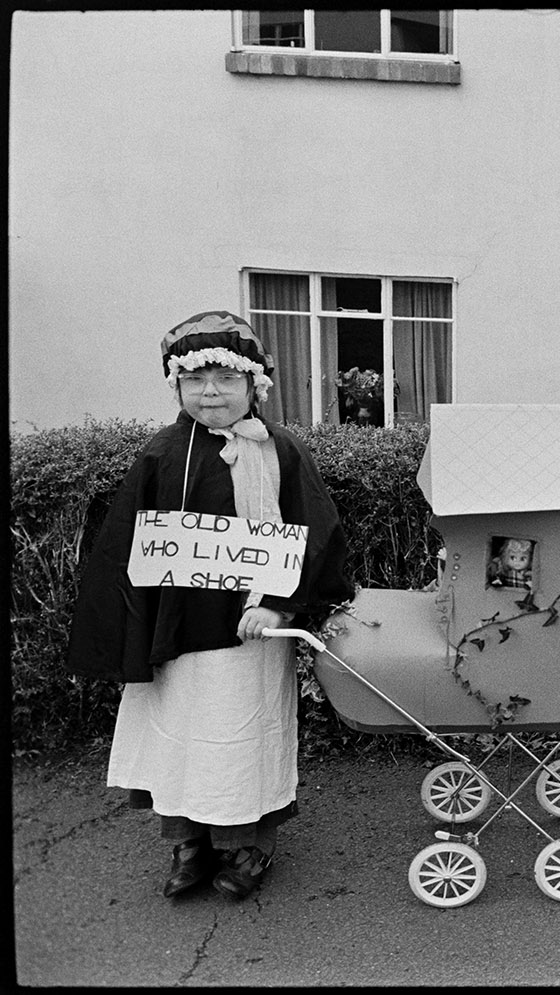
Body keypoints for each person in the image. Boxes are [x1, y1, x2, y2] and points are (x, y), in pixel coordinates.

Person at [64, 311, 355, 900]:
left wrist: (280, 605)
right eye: (195, 381)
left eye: (224, 379)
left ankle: (252, 844)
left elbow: (315, 534)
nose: (210, 393)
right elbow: (126, 547)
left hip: (249, 633)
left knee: (245, 735)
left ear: (254, 385)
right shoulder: (162, 453)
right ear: (177, 386)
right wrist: (131, 630)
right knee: (181, 735)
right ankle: (189, 840)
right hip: (177, 633)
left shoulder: (281, 452)